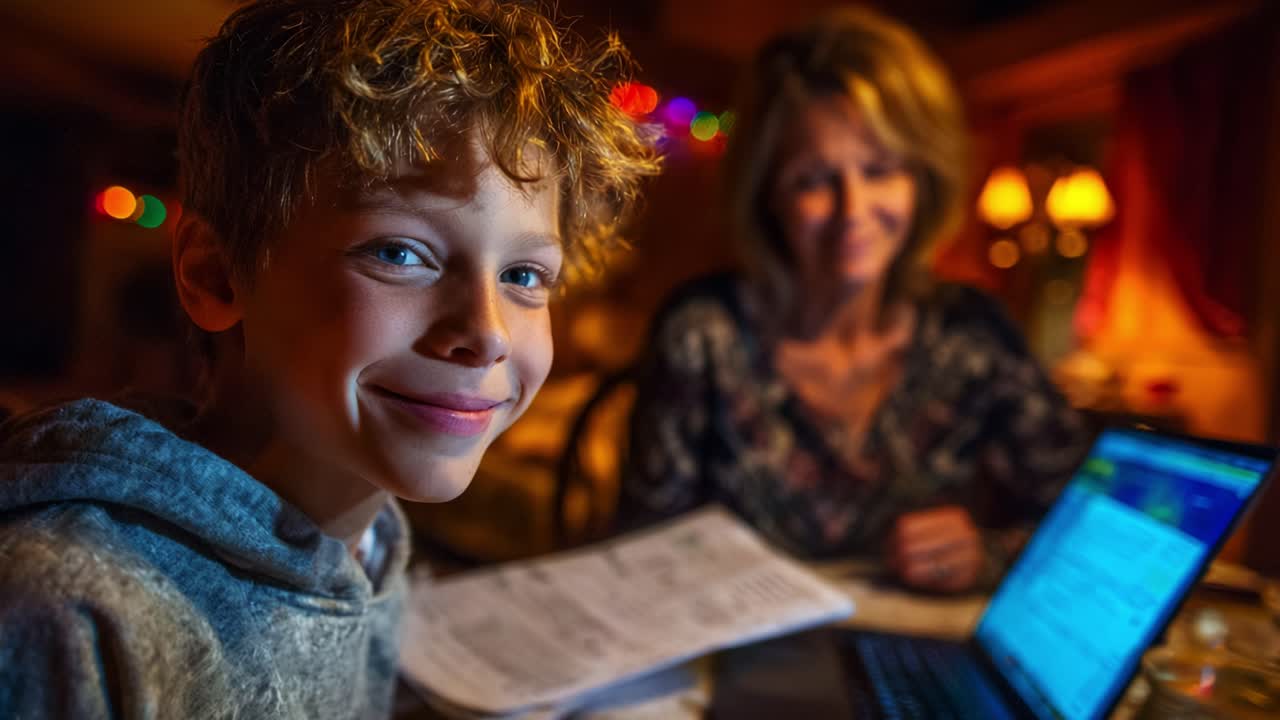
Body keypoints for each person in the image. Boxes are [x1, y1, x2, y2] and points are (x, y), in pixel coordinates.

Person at [0, 1, 658, 717]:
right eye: (399, 253)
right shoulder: (68, 610)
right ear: (216, 275)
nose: (488, 333)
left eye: (524, 275)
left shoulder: (369, 542)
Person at [620, 7, 1090, 594]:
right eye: (815, 179)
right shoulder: (703, 332)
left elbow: (1090, 521)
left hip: (916, 648)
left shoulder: (974, 334)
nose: (854, 210)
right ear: (768, 194)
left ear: (922, 180)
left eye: (880, 170)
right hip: (737, 647)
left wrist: (988, 554)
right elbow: (638, 554)